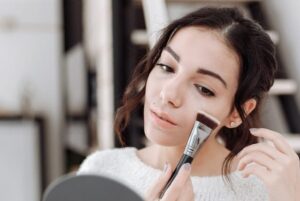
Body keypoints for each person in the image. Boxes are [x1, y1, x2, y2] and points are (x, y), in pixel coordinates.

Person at [77, 7, 300, 201]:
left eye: (204, 88)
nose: (168, 94)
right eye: (166, 67)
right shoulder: (101, 172)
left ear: (237, 112)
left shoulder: (262, 192)